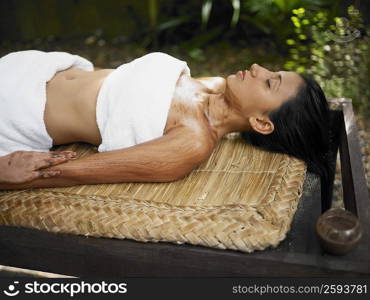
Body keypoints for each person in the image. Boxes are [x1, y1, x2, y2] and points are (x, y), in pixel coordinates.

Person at [0, 51, 330, 196]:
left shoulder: (192, 141)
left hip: (16, 111)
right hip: (31, 68)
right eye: (273, 71)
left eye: (270, 83)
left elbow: (81, 172)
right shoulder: (209, 86)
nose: (258, 68)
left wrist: (12, 175)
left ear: (261, 122)